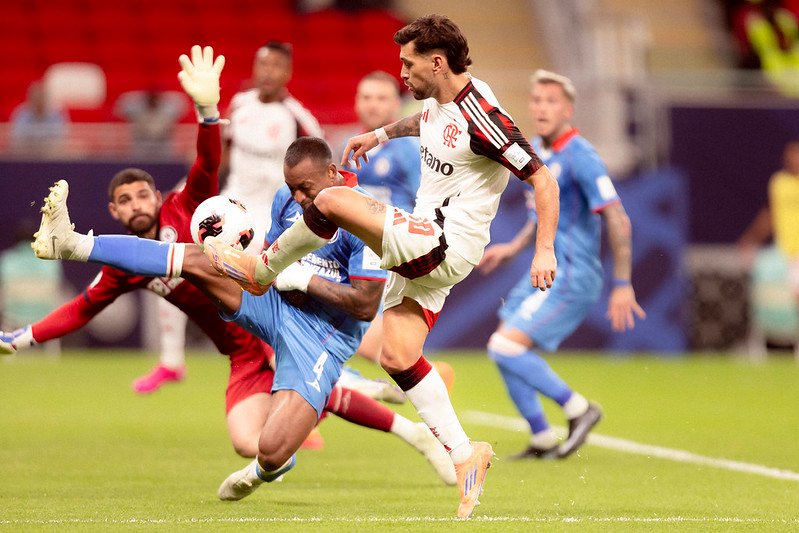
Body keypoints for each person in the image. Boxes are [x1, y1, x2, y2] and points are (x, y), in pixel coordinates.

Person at [197, 15, 561, 519]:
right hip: (430, 252)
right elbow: (430, 123)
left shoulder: (485, 116)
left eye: (408, 64)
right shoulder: (441, 103)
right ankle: (463, 454)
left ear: (437, 62)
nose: (402, 74)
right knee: (397, 355)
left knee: (333, 198)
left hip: (440, 242)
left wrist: (544, 250)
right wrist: (383, 133)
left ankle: (263, 270)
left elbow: (543, 180)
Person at [24, 134, 456, 498]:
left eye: (306, 188)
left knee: (270, 450)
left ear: (333, 175)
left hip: (322, 336)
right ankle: (74, 243)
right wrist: (250, 264)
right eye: (293, 190)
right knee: (196, 260)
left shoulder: (369, 222)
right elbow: (275, 254)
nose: (300, 199)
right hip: (273, 302)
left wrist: (303, 281)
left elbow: (364, 305)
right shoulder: (287, 197)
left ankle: (266, 468)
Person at [131, 41, 323, 393]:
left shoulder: (298, 119)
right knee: (171, 262)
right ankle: (171, 361)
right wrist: (185, 189)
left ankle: (288, 382)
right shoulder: (240, 105)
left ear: (288, 72)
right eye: (261, 64)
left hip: (268, 217)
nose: (267, 72)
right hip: (228, 206)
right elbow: (223, 155)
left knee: (260, 295)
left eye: (276, 66)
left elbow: (317, 174)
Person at [477, 70, 646, 460]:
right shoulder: (536, 148)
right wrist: (513, 247)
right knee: (501, 346)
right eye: (536, 100)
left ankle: (579, 409)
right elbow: (542, 216)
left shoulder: (581, 155)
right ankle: (540, 437)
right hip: (545, 269)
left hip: (572, 275)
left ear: (567, 109)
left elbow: (619, 219)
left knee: (504, 346)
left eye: (551, 101)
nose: (541, 107)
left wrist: (623, 283)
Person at [737, 139, 799, 355]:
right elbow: (770, 215)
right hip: (785, 251)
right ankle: (758, 343)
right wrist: (750, 238)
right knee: (766, 294)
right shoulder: (779, 183)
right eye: (791, 154)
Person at [10, 81, 69, 152]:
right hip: (26, 156)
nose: (38, 100)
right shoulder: (21, 114)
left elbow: (61, 140)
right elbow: (17, 139)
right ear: (30, 97)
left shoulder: (57, 115)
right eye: (36, 97)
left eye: (41, 96)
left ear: (46, 97)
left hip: (51, 156)